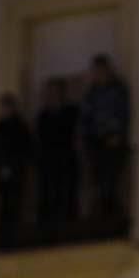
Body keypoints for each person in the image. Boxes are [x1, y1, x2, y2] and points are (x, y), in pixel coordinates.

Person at [81, 54, 130, 226]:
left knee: (111, 181)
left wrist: (118, 135)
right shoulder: (91, 94)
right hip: (96, 143)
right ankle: (99, 216)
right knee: (98, 182)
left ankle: (111, 217)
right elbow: (86, 119)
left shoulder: (117, 90)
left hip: (113, 142)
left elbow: (122, 115)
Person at [0, 93, 32, 248]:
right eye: (2, 107)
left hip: (15, 173)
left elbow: (24, 150)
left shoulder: (20, 129)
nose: (3, 111)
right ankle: (3, 238)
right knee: (2, 206)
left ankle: (12, 238)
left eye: (6, 107)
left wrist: (11, 166)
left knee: (14, 205)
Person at [36, 78, 80, 235]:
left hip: (66, 159)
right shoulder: (43, 116)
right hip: (49, 161)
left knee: (66, 192)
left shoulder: (71, 112)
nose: (53, 95)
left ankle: (68, 227)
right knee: (49, 193)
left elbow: (74, 134)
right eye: (50, 92)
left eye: (55, 91)